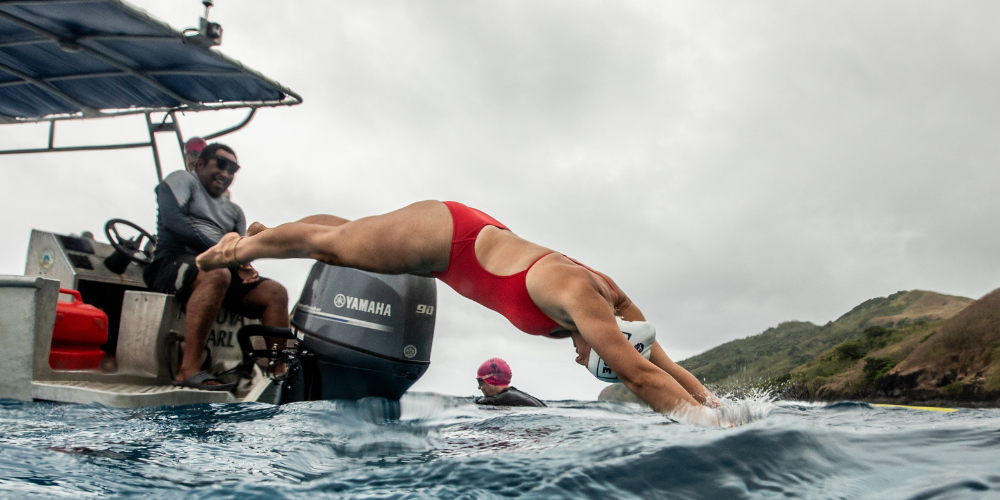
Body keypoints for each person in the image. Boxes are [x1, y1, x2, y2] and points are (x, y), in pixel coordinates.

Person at [194, 200, 723, 423]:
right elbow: (636, 374)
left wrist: (718, 406)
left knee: (352, 237)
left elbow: (662, 366)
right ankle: (240, 248)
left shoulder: (618, 304)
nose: (579, 356)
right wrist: (708, 429)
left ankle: (269, 233)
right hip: (450, 237)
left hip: (465, 250)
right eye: (591, 358)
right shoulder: (585, 300)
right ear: (604, 335)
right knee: (334, 246)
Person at [146, 142, 290, 390]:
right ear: (200, 164)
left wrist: (243, 262)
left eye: (233, 169)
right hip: (171, 263)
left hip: (219, 269)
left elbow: (239, 248)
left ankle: (280, 372)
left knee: (275, 292)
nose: (226, 173)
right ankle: (187, 370)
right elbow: (173, 221)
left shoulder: (235, 211)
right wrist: (228, 252)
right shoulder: (182, 179)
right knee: (217, 271)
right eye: (220, 164)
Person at [474, 357, 546, 408]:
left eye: (480, 382)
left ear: (492, 380)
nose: (479, 387)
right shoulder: (511, 396)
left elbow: (481, 403)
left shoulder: (504, 398)